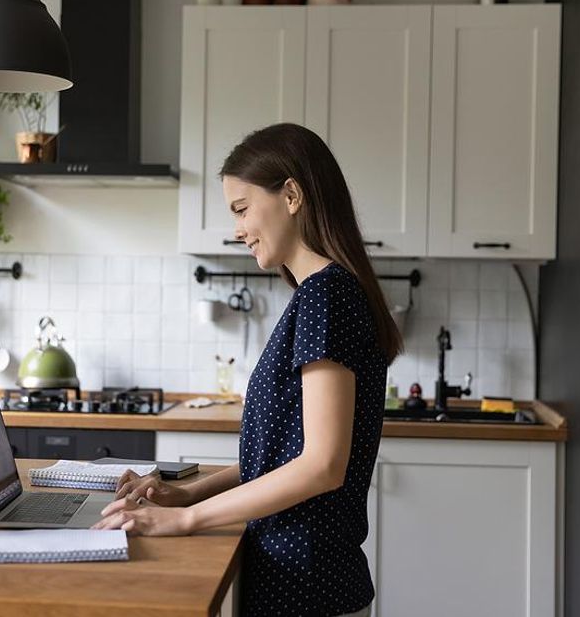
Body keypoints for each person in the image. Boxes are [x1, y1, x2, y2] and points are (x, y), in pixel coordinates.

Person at [92, 123, 403, 617]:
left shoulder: (327, 296)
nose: (236, 228)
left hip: (307, 590)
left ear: (293, 195)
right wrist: (185, 494)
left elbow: (321, 465)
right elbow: (285, 453)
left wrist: (189, 519)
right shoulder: (317, 295)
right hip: (302, 584)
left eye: (241, 208)